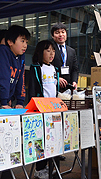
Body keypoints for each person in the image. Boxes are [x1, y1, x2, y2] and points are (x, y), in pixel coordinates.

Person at [28, 40, 60, 179]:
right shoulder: (36, 68)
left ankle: (49, 166)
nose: (51, 53)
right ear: (40, 52)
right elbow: (33, 90)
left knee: (51, 139)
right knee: (40, 140)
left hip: (53, 110)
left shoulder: (54, 69)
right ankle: (39, 169)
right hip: (40, 110)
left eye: (53, 50)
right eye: (48, 50)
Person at [0, 25, 30, 109]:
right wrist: (4, 101)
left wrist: (20, 101)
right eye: (22, 41)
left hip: (5, 99)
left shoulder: (21, 56)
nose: (25, 45)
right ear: (10, 42)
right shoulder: (3, 52)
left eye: (26, 42)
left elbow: (21, 79)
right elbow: (3, 77)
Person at [50, 22, 79, 92]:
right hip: (53, 86)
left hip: (68, 87)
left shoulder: (72, 51)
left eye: (63, 32)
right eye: (57, 33)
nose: (61, 35)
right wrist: (56, 78)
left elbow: (75, 69)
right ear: (52, 36)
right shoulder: (49, 49)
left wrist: (74, 81)